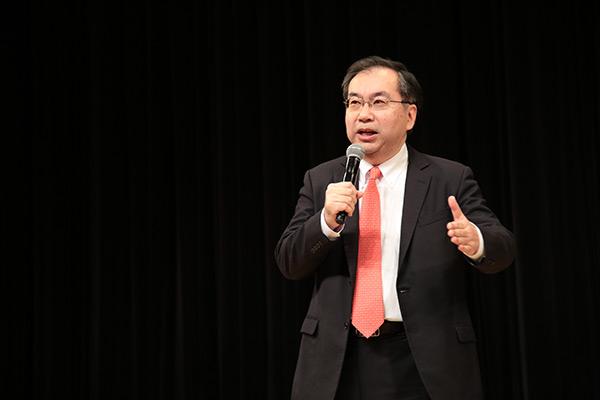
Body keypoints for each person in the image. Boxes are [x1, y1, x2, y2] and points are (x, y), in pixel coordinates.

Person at [274, 56, 516, 400]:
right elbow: (289, 262)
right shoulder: (321, 179)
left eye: (378, 102)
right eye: (354, 102)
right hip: (337, 360)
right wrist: (325, 223)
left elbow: (502, 248)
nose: (364, 114)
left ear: (410, 116)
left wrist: (475, 241)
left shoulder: (449, 178)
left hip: (421, 360)